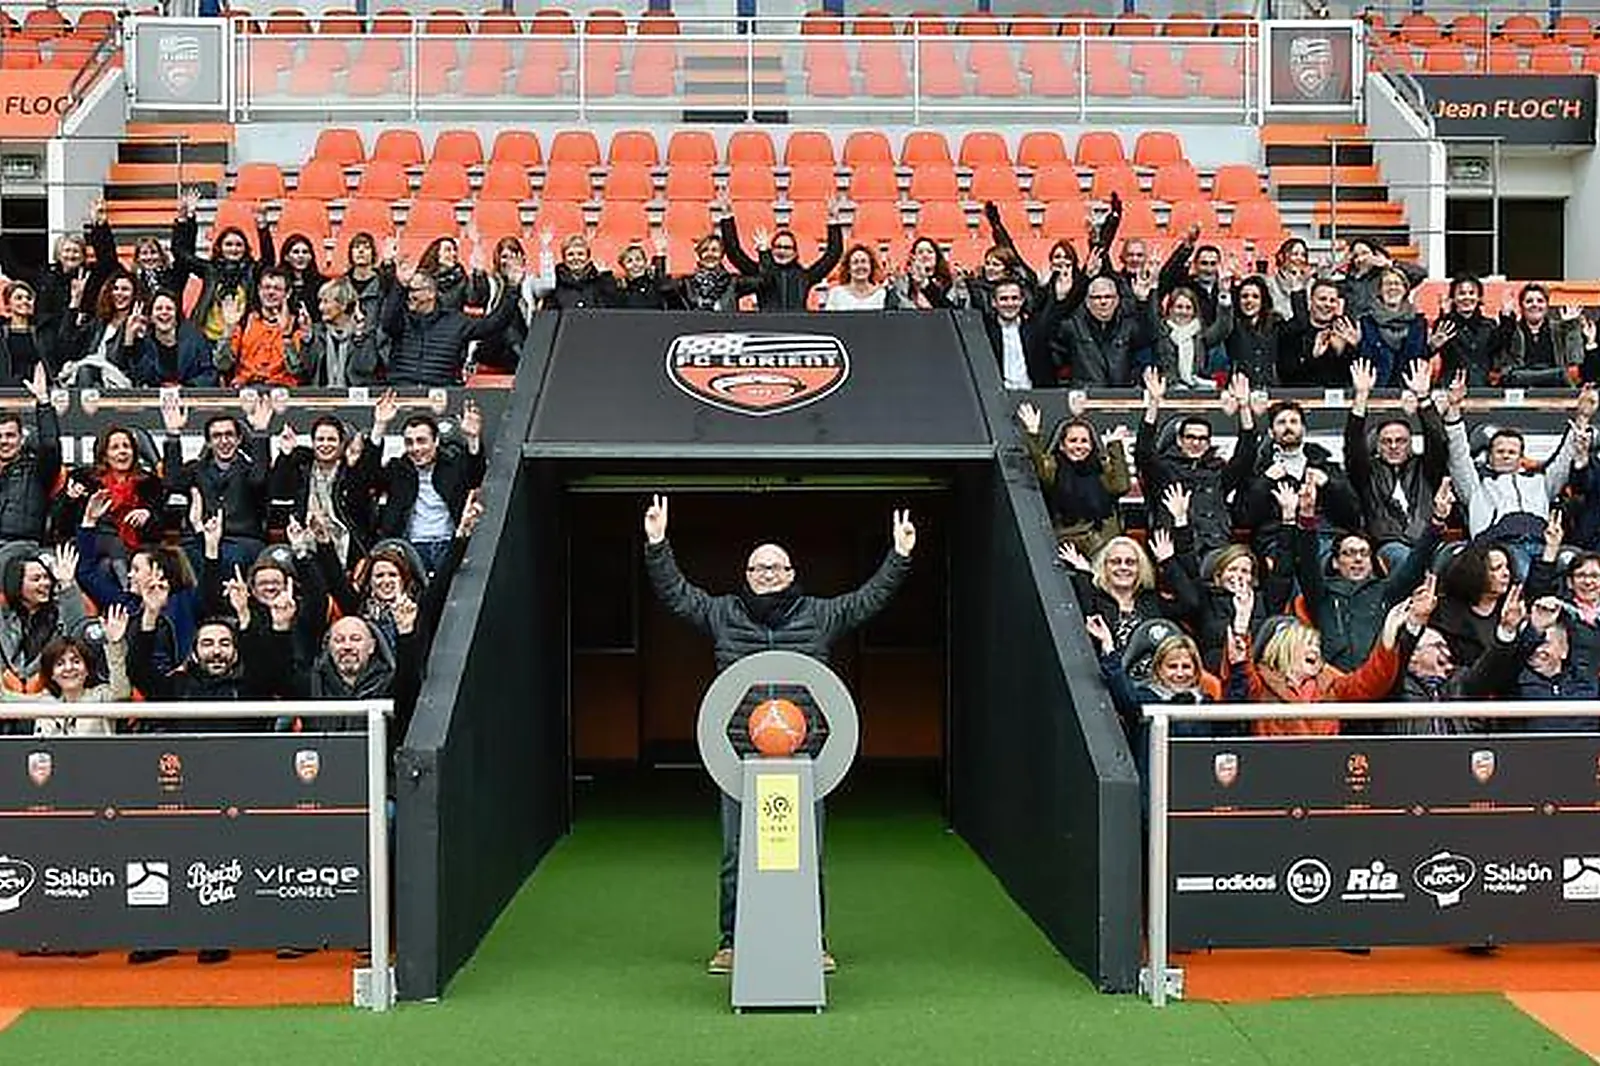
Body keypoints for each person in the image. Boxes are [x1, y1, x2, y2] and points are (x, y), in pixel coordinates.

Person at [642, 494, 914, 976]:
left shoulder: (819, 614)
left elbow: (867, 600)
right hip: (739, 758)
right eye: (758, 567)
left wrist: (899, 556)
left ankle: (814, 941)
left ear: (791, 573)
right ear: (746, 575)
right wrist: (658, 543)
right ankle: (731, 942)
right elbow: (678, 594)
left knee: (804, 851)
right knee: (735, 853)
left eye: (776, 566)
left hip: (805, 760)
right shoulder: (724, 613)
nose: (767, 573)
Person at [1292, 476, 1450, 671]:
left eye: (1364, 553)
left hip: (1381, 681)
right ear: (1335, 562)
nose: (1358, 559)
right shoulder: (1321, 593)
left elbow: (1414, 566)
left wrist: (1437, 521)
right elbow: (1307, 562)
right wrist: (1307, 515)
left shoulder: (1385, 591)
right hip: (1335, 685)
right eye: (1349, 553)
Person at [1443, 373, 1591, 566]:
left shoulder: (1540, 482)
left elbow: (1565, 459)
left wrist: (1583, 417)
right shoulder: (1476, 486)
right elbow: (1458, 455)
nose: (1506, 455)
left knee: (1578, 564)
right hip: (1499, 549)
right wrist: (1454, 408)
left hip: (1542, 544)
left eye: (1512, 452)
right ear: (1489, 457)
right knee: (1522, 568)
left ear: (1521, 458)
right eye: (1500, 451)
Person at [1135, 369, 1259, 557]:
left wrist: (1244, 407)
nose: (1195, 443)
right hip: (1174, 549)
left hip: (1215, 547)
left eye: (1202, 439)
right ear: (1179, 440)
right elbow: (1144, 452)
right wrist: (1154, 403)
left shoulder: (1218, 472)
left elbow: (1246, 455)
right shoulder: (1165, 469)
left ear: (1209, 443)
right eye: (1190, 437)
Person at [1347, 359, 1449, 571]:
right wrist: (1361, 397)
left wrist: (1423, 397)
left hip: (1428, 542)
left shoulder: (1425, 468)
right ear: (1377, 445)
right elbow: (1353, 446)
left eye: (1400, 440)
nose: (1394, 446)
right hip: (1389, 545)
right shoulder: (1368, 473)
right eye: (1386, 441)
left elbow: (1438, 440)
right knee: (1405, 559)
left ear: (1411, 444)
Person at [370, 392, 485, 576]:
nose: (416, 449)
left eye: (422, 441)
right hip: (411, 547)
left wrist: (472, 439)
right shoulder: (398, 469)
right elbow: (367, 477)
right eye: (409, 442)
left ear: (436, 441)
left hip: (449, 544)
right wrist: (380, 426)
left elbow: (476, 475)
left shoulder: (453, 465)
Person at [161, 390, 274, 575]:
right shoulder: (196, 469)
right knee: (181, 560)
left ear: (238, 439)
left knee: (229, 558)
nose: (224, 441)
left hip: (241, 541)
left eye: (229, 435)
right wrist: (173, 434)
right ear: (209, 442)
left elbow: (259, 479)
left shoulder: (250, 470)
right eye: (217, 436)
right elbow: (172, 482)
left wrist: (261, 433)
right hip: (199, 540)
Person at [1017, 401, 1130, 556]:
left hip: (1103, 540)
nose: (1079, 446)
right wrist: (1033, 433)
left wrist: (1114, 445)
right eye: (1073, 441)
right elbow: (1039, 465)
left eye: (1084, 441)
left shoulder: (1100, 468)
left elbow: (1121, 486)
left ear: (1091, 446)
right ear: (1062, 445)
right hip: (1068, 540)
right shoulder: (1053, 467)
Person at [382, 261, 521, 385]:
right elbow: (387, 323)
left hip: (441, 394)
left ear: (431, 293)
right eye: (407, 291)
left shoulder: (455, 321)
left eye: (413, 290)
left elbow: (493, 324)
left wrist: (512, 288)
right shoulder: (401, 320)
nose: (409, 296)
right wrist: (399, 285)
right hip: (401, 391)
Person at [269, 416, 376, 569]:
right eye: (320, 439)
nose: (325, 444)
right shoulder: (301, 467)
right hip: (303, 540)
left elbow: (360, 500)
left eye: (331, 439)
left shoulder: (351, 471)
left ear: (341, 444)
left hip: (345, 545)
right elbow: (278, 491)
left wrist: (353, 468)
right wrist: (286, 454)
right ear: (313, 443)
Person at [172, 188, 274, 342]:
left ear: (245, 248)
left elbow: (268, 260)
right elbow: (181, 254)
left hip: (242, 339)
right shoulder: (210, 269)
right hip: (207, 338)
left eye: (238, 245)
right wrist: (186, 220)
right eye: (229, 244)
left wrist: (262, 228)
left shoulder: (252, 270)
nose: (234, 249)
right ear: (220, 247)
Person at [0, 544, 88, 708]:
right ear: (16, 584)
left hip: (52, 701)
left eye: (47, 577)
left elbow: (78, 631)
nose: (45, 583)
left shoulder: (60, 612)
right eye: (36, 579)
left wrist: (68, 584)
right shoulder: (5, 617)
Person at [25, 603, 132, 736]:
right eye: (60, 664)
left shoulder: (101, 697)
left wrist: (114, 644)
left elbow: (122, 693)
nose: (69, 668)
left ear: (87, 669)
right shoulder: (45, 702)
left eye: (76, 661)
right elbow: (7, 699)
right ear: (51, 674)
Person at [720, 204, 845, 312]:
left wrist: (833, 222)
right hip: (767, 330)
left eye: (787, 247)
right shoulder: (759, 272)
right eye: (778, 247)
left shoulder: (805, 276)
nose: (782, 251)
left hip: (797, 331)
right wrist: (727, 218)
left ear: (795, 253)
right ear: (771, 249)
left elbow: (832, 256)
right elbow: (734, 254)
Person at [1051, 270, 1157, 387]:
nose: (1103, 302)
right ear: (1087, 302)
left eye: (1108, 297)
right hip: (1086, 398)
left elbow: (1149, 338)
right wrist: (1060, 302)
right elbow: (1049, 343)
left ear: (1117, 300)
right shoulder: (1072, 326)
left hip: (1120, 397)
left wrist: (1142, 303)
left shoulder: (1128, 326)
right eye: (1096, 297)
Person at [0, 364, 61, 545]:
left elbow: (50, 446)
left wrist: (43, 402)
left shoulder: (36, 471)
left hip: (21, 546)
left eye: (10, 436)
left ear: (21, 439)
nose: (3, 441)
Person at [216, 269, 307, 387]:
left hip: (282, 391)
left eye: (277, 289)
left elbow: (297, 370)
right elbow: (222, 365)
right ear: (259, 290)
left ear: (288, 293)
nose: (271, 292)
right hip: (245, 389)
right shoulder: (244, 322)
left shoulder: (297, 324)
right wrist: (228, 329)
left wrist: (286, 336)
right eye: (266, 287)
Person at [980, 276, 1068, 389]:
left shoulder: (1035, 329)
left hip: (1033, 395)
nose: (1010, 304)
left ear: (1022, 300)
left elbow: (1054, 317)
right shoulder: (984, 331)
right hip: (998, 395)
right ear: (993, 302)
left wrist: (1060, 299)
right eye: (1003, 299)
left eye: (1015, 298)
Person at [294, 277, 383, 386]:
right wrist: (307, 338)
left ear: (343, 305)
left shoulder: (365, 333)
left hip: (354, 399)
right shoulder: (317, 332)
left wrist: (359, 336)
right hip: (321, 398)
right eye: (320, 301)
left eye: (326, 302)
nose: (320, 307)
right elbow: (305, 371)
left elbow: (363, 372)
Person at [1492, 284, 1584, 388]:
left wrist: (1571, 328)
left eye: (1540, 301)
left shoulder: (1560, 329)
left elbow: (1576, 359)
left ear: (1547, 305)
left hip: (1554, 385)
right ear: (1521, 306)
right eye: (1529, 301)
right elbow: (1499, 361)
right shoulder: (1512, 329)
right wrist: (1506, 322)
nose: (1535, 305)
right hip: (1520, 385)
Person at [125, 290, 220, 387]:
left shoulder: (196, 340)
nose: (164, 312)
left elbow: (210, 375)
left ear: (176, 316)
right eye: (159, 309)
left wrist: (186, 387)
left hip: (190, 399)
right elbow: (138, 376)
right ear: (151, 317)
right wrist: (130, 338)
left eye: (169, 309)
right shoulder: (144, 342)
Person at [1356, 267, 1427, 386]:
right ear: (1379, 290)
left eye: (1397, 283)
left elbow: (1420, 357)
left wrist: (1432, 347)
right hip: (1375, 391)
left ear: (1405, 289)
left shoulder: (1418, 323)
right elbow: (1362, 358)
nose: (1392, 288)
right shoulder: (1366, 322)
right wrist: (1356, 345)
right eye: (1387, 284)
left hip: (1410, 391)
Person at [1152, 285, 1231, 391]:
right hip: (1168, 390)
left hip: (1197, 388)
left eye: (1188, 308)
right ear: (1170, 309)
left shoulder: (1199, 335)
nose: (1184, 312)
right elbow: (1150, 316)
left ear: (1194, 311)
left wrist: (1224, 294)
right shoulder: (1161, 332)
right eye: (1179, 307)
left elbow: (1223, 328)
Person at [1430, 274, 1501, 387]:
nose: (1467, 297)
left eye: (1472, 293)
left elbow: (1500, 351)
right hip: (1451, 386)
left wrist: (1508, 321)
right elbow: (1428, 353)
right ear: (1453, 298)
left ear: (1479, 298)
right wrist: (1433, 346)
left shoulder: (1490, 325)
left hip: (1483, 387)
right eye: (1461, 293)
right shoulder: (1444, 324)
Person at [1222, 276, 1287, 386]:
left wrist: (1297, 290)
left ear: (1263, 300)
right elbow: (1219, 328)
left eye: (1255, 297)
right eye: (1244, 296)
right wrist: (1224, 294)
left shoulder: (1276, 324)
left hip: (1270, 389)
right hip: (1239, 389)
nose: (1249, 301)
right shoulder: (1231, 323)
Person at [603, 239, 673, 310]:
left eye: (638, 259)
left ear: (645, 262)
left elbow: (667, 288)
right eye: (629, 261)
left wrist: (660, 254)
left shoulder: (656, 285)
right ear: (623, 266)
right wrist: (605, 275)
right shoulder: (620, 290)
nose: (635, 264)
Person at [822, 244, 896, 311]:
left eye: (864, 261)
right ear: (848, 268)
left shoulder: (882, 294)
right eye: (855, 262)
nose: (860, 266)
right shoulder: (836, 294)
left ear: (871, 266)